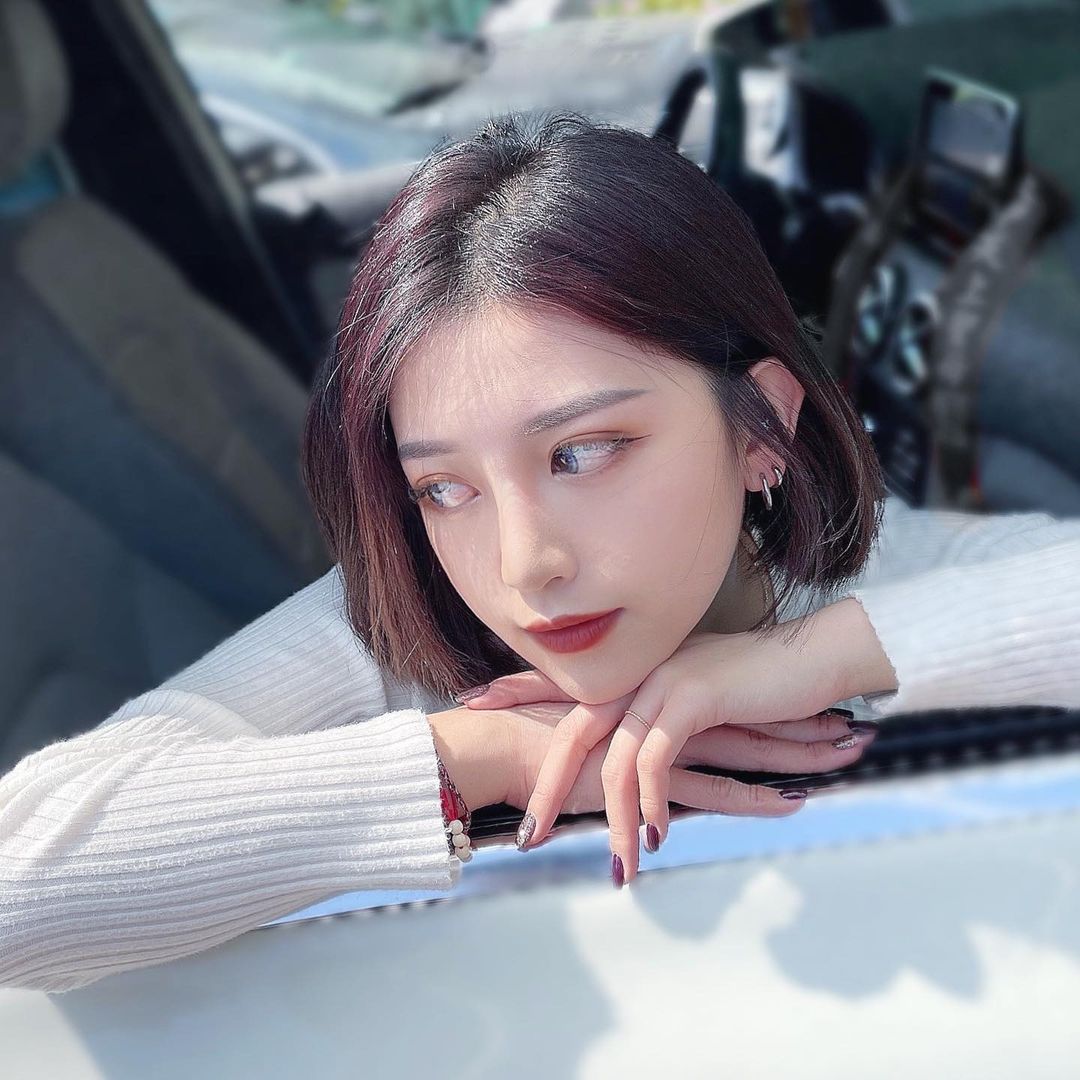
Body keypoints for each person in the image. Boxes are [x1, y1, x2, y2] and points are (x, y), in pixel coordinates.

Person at [2, 114, 1078, 994]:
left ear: (761, 428)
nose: (523, 566)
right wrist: (485, 758)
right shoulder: (391, 633)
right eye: (444, 489)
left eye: (583, 453)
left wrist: (811, 658)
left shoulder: (880, 576)